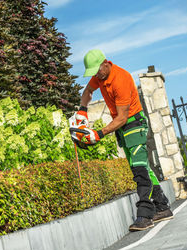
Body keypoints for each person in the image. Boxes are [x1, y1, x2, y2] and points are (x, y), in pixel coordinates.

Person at [71, 49, 173, 231]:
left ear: (105, 63)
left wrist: (98, 134)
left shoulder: (121, 79)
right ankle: (163, 207)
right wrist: (82, 110)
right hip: (123, 127)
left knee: (139, 169)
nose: (96, 75)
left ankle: (145, 215)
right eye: (93, 72)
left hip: (134, 124)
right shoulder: (100, 77)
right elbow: (88, 90)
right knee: (143, 167)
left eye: (97, 70)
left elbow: (122, 118)